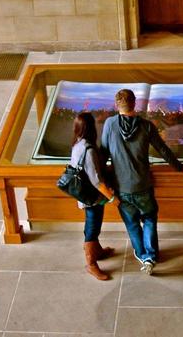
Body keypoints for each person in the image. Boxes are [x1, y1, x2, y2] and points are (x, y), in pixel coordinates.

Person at [101, 89, 183, 275]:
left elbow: (103, 153)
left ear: (117, 105)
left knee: (131, 223)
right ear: (135, 104)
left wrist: (103, 182)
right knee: (149, 219)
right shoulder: (146, 125)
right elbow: (163, 150)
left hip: (121, 186)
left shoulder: (109, 124)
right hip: (143, 184)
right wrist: (181, 167)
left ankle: (142, 255)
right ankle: (151, 256)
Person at [71, 112, 119, 281]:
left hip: (85, 194)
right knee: (92, 227)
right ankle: (91, 264)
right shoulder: (88, 149)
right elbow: (96, 181)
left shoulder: (78, 144)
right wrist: (112, 198)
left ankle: (96, 251)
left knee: (93, 223)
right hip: (92, 197)